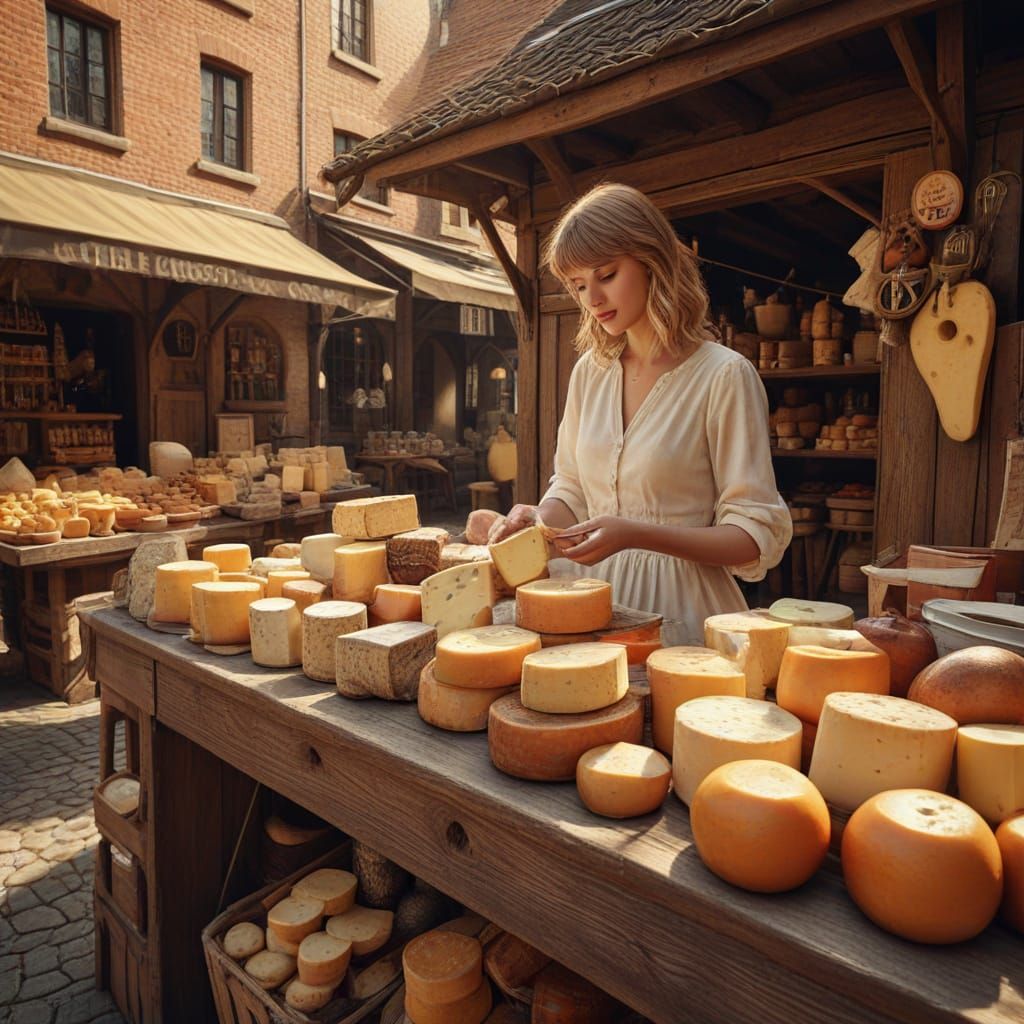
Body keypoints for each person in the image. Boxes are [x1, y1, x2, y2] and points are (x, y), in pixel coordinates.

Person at [490, 183, 792, 645]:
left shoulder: (724, 376)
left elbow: (752, 537)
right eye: (578, 285)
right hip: (586, 603)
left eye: (606, 274)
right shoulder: (590, 373)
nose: (592, 298)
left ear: (651, 261)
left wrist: (636, 534)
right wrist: (540, 518)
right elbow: (570, 487)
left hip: (683, 617)